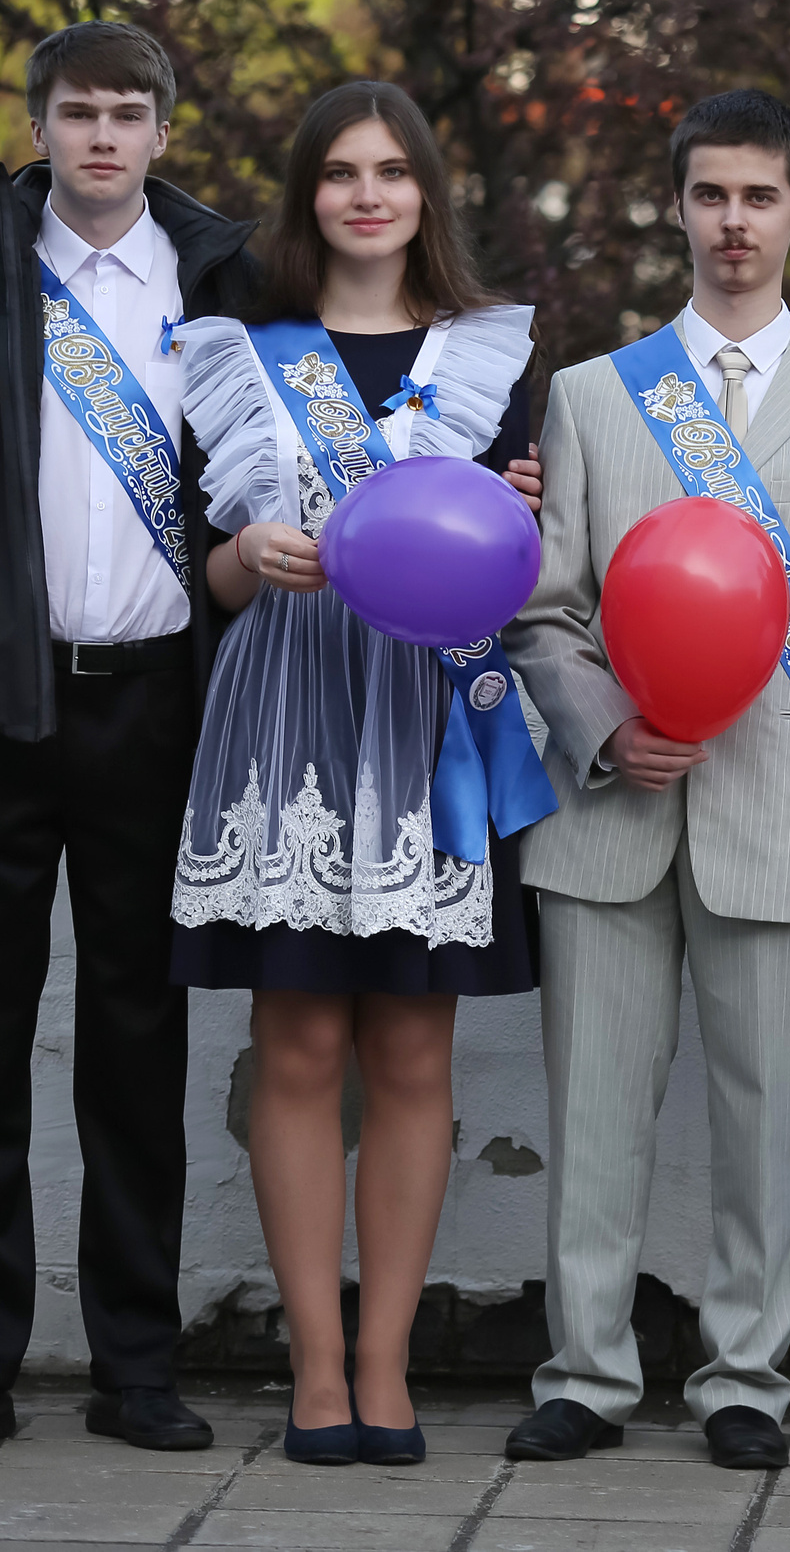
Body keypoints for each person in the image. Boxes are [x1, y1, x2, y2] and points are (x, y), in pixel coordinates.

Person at [499, 89, 790, 1472]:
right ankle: (585, 1375)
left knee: (767, 1123)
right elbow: (542, 614)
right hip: (611, 811)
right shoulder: (592, 398)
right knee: (595, 1115)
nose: (733, 222)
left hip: (785, 825)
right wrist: (609, 726)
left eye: (759, 197)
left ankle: (746, 1380)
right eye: (709, 195)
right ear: (677, 208)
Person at [0, 22, 249, 1455]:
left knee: (139, 1046)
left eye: (126, 113)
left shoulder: (223, 276)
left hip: (159, 707)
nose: (101, 136)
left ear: (160, 131)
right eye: (77, 112)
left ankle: (137, 1364)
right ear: (40, 123)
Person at [167, 80, 555, 1466]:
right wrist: (242, 560)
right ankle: (312, 1367)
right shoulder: (235, 350)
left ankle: (387, 1370)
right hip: (285, 708)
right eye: (341, 172)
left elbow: (531, 568)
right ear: (307, 195)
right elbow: (201, 572)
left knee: (409, 1047)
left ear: (426, 194)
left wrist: (519, 527)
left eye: (393, 170)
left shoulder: (491, 360)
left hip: (425, 712)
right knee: (296, 1044)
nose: (368, 194)